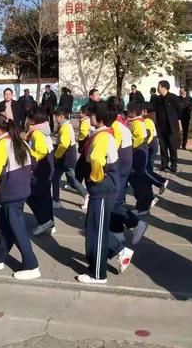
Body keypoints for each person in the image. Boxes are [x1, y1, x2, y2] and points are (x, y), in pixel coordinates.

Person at [0, 113, 41, 280]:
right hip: (21, 188)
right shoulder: (19, 141)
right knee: (3, 224)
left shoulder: (1, 144)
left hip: (10, 190)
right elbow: (34, 160)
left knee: (17, 228)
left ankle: (31, 265)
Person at [77, 101, 129, 284]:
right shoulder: (102, 134)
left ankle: (98, 274)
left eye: (91, 115)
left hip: (103, 188)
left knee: (97, 232)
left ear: (98, 119)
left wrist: (94, 178)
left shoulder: (102, 137)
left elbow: (97, 159)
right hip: (103, 188)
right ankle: (118, 251)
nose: (88, 117)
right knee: (94, 229)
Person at [108, 97, 145, 246]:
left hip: (120, 163)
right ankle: (117, 232)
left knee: (114, 199)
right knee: (119, 198)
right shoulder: (121, 122)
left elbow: (113, 148)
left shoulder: (116, 125)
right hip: (125, 161)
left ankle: (136, 223)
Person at [25, 107, 55, 236]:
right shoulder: (44, 128)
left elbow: (41, 150)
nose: (26, 120)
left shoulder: (36, 132)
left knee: (32, 195)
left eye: (28, 118)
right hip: (47, 164)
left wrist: (32, 160)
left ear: (33, 120)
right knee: (45, 195)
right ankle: (49, 222)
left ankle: (44, 221)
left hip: (41, 166)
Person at [52, 108, 88, 209]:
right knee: (57, 177)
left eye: (56, 118)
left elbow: (64, 144)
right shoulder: (65, 126)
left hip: (65, 157)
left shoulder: (65, 127)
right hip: (66, 156)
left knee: (71, 179)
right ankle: (56, 200)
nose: (55, 120)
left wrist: (56, 155)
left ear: (61, 117)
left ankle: (86, 195)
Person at [127, 102, 153, 215]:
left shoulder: (136, 123)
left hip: (138, 153)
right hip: (141, 152)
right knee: (139, 179)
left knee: (137, 180)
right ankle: (143, 204)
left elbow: (138, 138)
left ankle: (142, 206)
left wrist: (131, 146)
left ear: (132, 113)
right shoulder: (140, 121)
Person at [142, 104, 168, 197]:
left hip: (151, 145)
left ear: (145, 111)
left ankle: (160, 182)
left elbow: (149, 135)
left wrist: (144, 145)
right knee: (147, 168)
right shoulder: (149, 119)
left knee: (146, 168)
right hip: (151, 144)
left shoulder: (147, 120)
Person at [155, 81, 181, 172]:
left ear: (164, 88)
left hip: (171, 126)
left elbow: (179, 111)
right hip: (161, 126)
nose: (158, 88)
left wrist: (179, 123)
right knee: (163, 146)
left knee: (172, 146)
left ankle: (174, 165)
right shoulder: (157, 99)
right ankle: (164, 164)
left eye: (159, 87)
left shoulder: (173, 98)